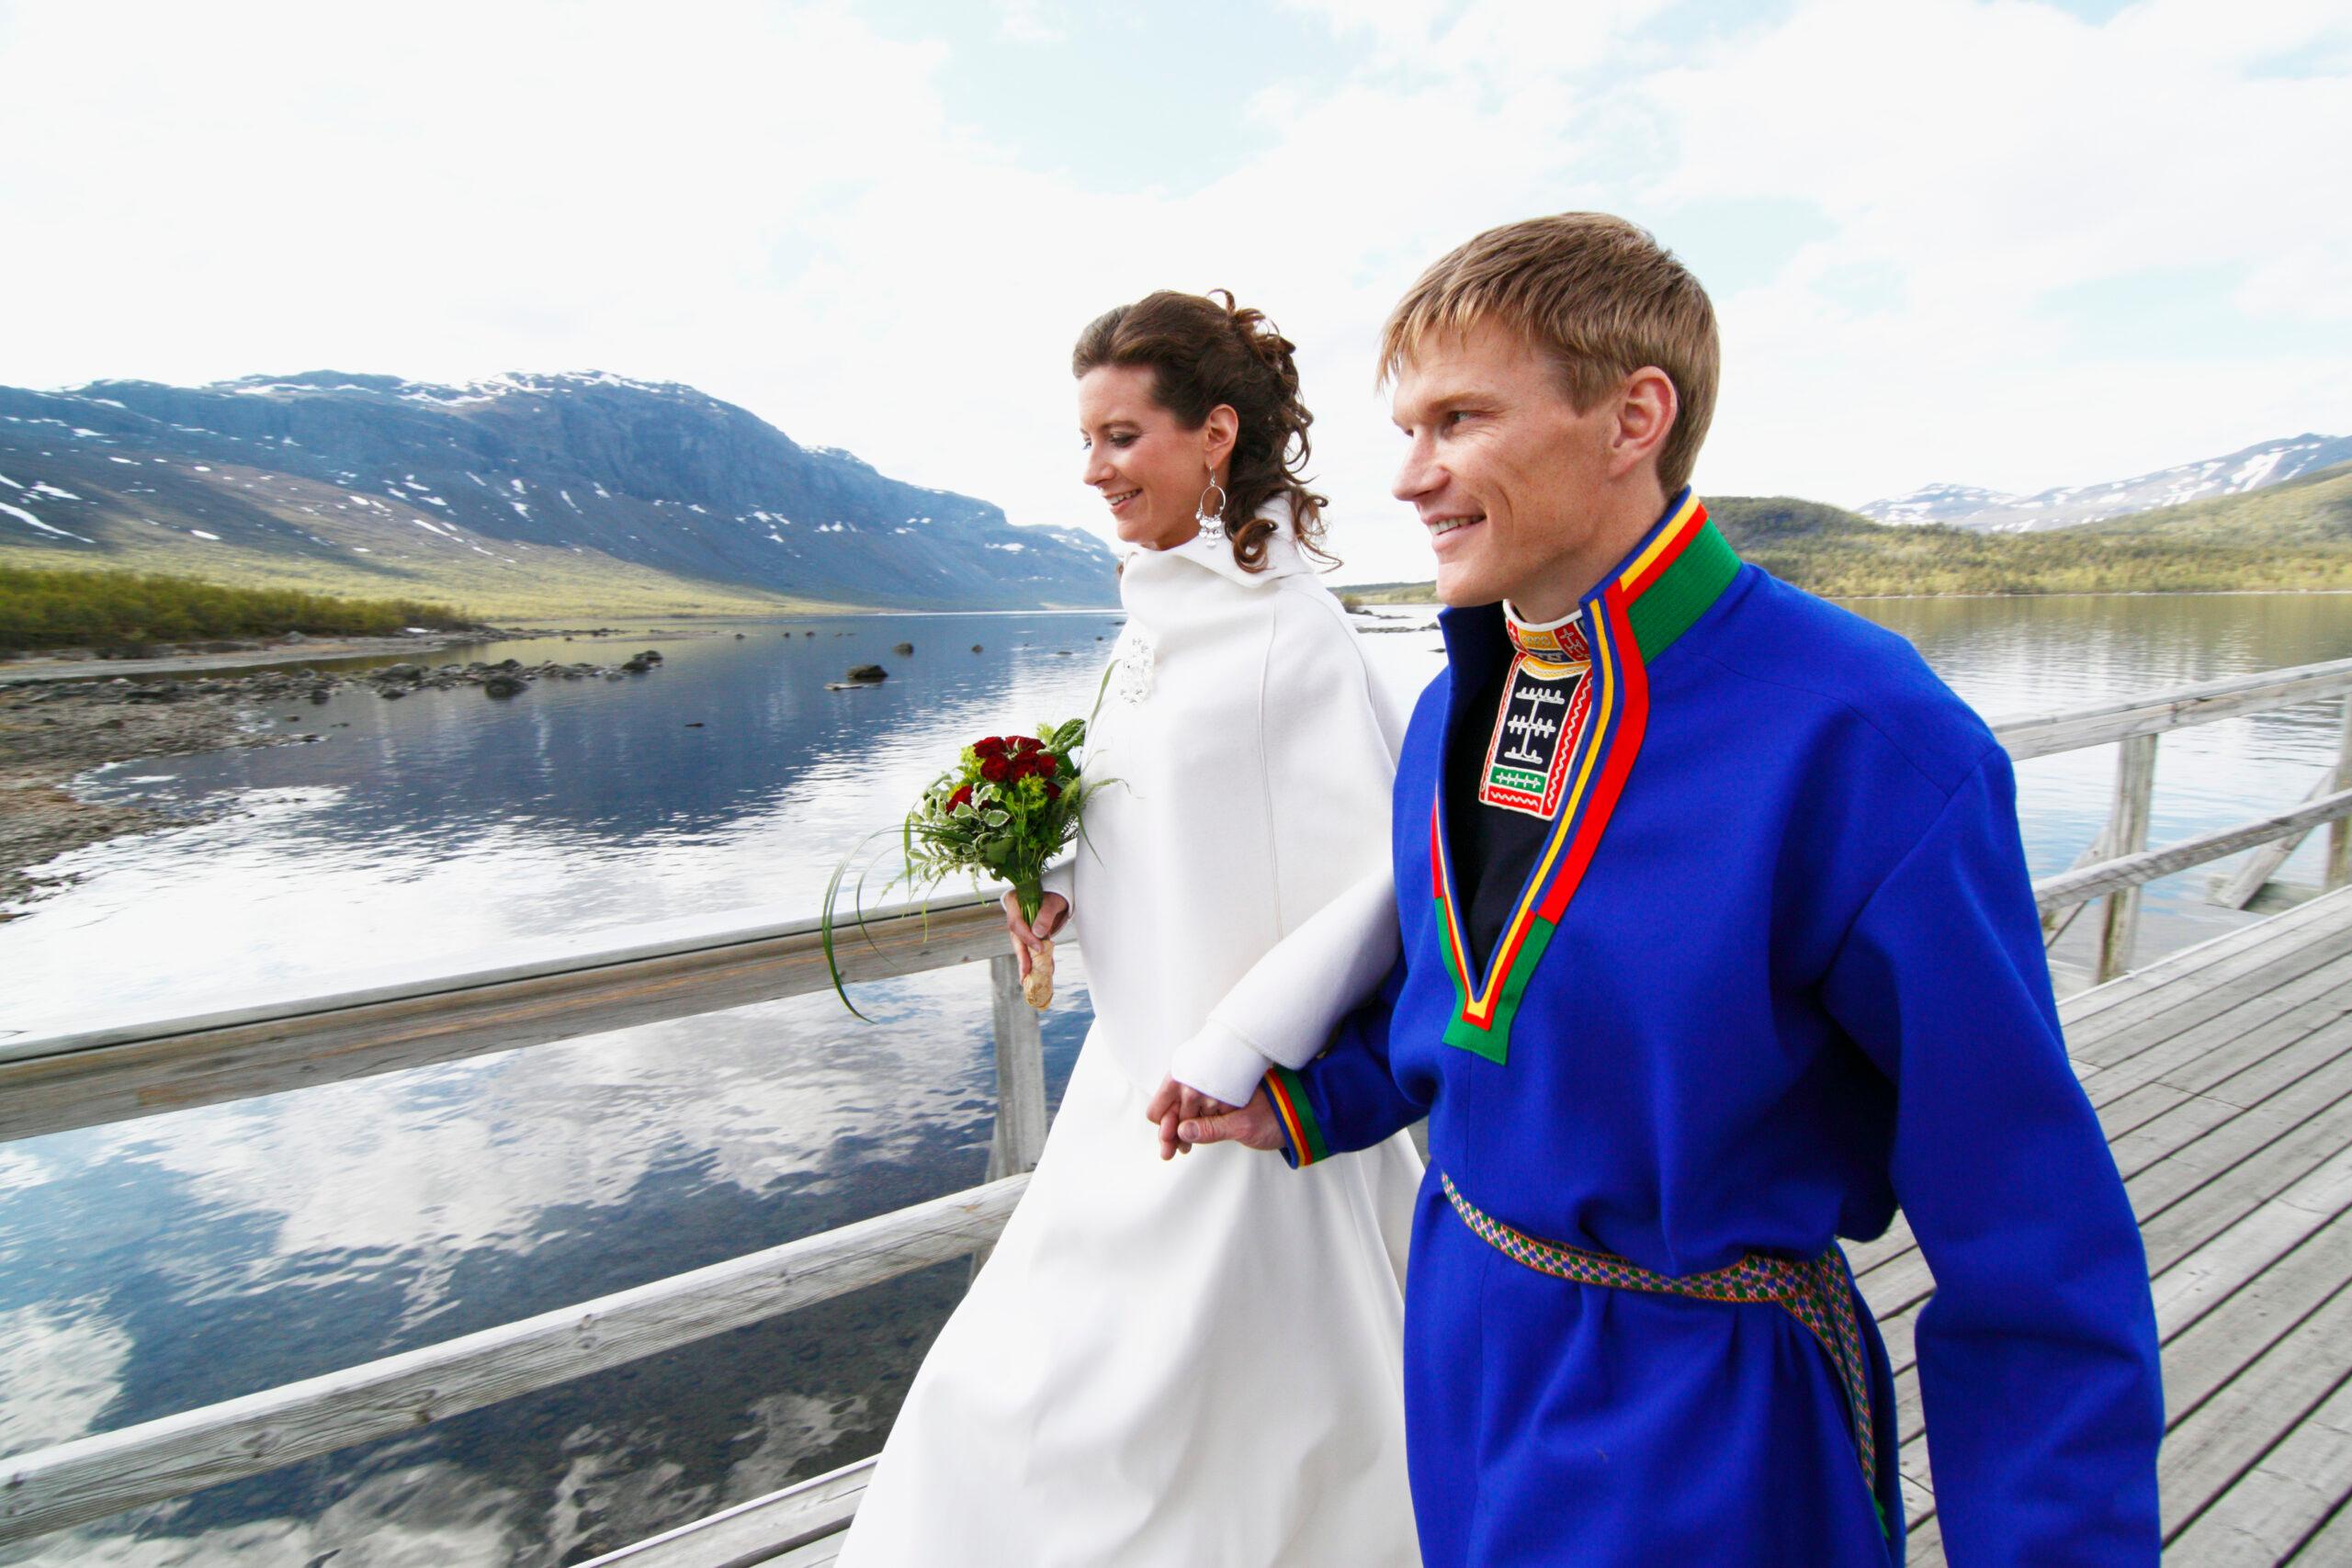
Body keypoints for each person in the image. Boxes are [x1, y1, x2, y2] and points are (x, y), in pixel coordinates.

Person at [1174, 216, 2165, 1565]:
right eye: (1406, 427)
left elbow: (2032, 1239)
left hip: (1697, 1408)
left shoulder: (1865, 740)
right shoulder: (1460, 706)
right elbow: (1476, 1001)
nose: (1411, 477)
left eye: (1459, 418)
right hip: (1464, 1343)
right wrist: (1307, 1097)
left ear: (1634, 415)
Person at [834, 290, 1426, 1567]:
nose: (1093, 470)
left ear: (1215, 437)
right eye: (1088, 441)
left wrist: (1240, 1046)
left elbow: (1383, 884)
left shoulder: (1295, 639)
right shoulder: (1152, 627)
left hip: (1228, 1104)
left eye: (1120, 438)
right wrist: (1069, 889)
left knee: (1225, 1438)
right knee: (1017, 1400)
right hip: (1130, 1080)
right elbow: (1171, 828)